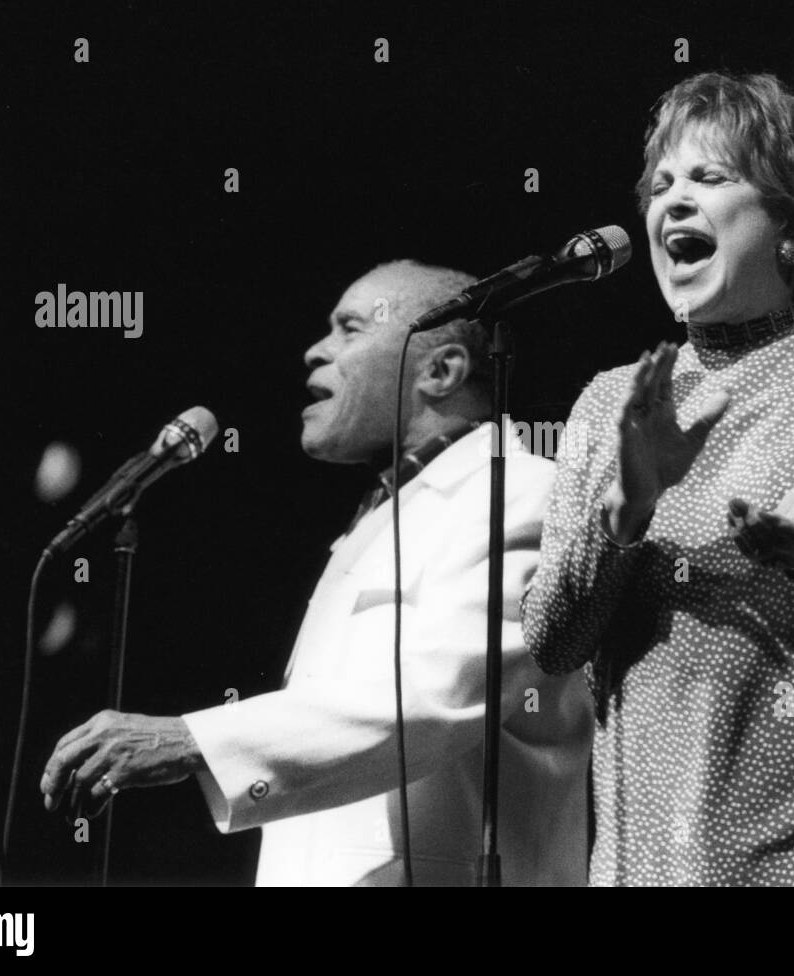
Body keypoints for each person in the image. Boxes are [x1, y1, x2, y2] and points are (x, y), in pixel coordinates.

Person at [522, 72, 794, 886]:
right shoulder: (611, 400)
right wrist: (628, 510)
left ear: (789, 219)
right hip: (654, 853)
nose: (673, 201)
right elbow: (553, 642)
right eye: (661, 185)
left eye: (709, 178)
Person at [40, 259, 594, 886]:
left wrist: (193, 739)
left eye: (349, 330)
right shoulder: (374, 522)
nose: (314, 351)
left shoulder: (520, 493)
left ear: (441, 370)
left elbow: (431, 699)